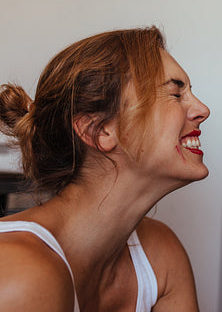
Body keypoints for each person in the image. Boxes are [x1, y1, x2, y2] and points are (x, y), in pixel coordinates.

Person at [0, 26, 210, 311]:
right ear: (100, 131)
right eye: (175, 94)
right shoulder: (19, 274)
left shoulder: (160, 254)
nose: (202, 110)